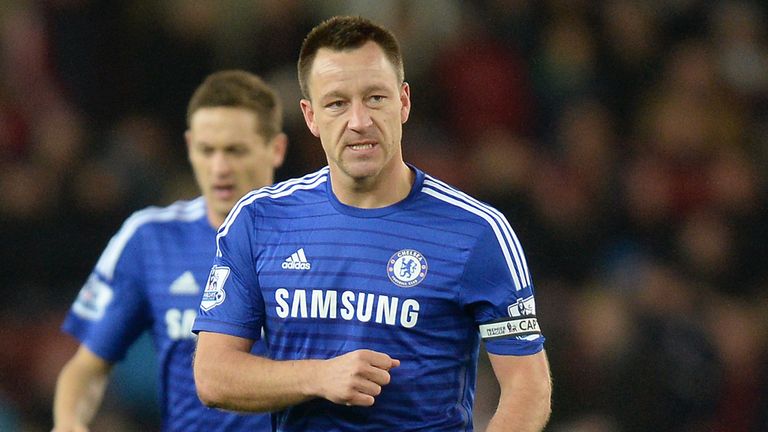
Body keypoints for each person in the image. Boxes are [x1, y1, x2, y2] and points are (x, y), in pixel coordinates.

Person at [192, 16, 551, 431]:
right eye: (337, 103)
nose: (359, 121)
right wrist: (318, 376)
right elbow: (213, 376)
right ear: (310, 116)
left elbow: (528, 382)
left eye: (375, 98)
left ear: (404, 102)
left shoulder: (476, 231)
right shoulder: (259, 220)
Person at [52, 70, 287, 432]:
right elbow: (87, 367)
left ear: (276, 148)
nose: (219, 167)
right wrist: (69, 423)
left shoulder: (315, 238)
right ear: (190, 146)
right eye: (207, 150)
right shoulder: (150, 239)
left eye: (235, 150)